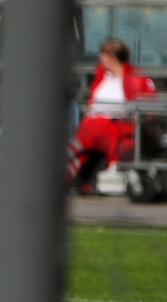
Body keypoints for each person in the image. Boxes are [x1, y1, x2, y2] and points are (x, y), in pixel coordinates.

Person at [65, 38, 156, 191]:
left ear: (111, 58)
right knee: (89, 137)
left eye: (102, 56)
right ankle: (66, 179)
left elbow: (150, 107)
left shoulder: (136, 78)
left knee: (93, 128)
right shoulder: (101, 77)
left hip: (120, 126)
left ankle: (65, 155)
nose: (100, 60)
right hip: (95, 127)